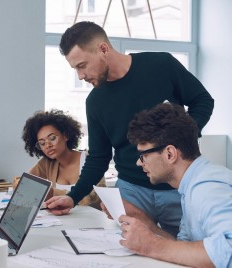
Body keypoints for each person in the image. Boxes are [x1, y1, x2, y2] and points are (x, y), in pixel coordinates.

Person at [45, 21, 214, 237]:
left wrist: (182, 135)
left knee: (187, 251)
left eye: (82, 65)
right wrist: (73, 196)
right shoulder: (95, 102)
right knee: (132, 253)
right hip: (131, 191)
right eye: (75, 69)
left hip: (177, 186)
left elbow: (203, 101)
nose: (80, 76)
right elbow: (99, 157)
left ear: (103, 49)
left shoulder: (161, 65)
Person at [118, 102, 232, 268]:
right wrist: (144, 222)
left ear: (170, 154)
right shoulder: (190, 186)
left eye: (143, 155)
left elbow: (228, 252)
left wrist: (152, 246)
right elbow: (184, 250)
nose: (138, 163)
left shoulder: (208, 187)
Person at [21, 109, 103, 209]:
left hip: (92, 221)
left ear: (65, 136)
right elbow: (25, 182)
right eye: (42, 143)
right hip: (62, 221)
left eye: (52, 138)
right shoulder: (47, 163)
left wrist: (52, 193)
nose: (48, 145)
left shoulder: (91, 159)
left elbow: (95, 198)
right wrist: (20, 185)